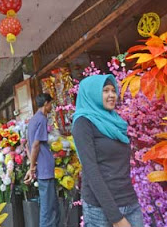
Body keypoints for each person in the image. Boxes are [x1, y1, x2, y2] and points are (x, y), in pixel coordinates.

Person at [72, 74, 143, 227]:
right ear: (92, 93)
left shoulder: (115, 121)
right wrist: (115, 217)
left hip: (128, 199)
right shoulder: (83, 123)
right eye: (105, 91)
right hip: (100, 208)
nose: (111, 95)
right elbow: (91, 171)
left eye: (113, 90)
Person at [24, 93, 60, 227]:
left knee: (52, 205)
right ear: (46, 103)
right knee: (47, 208)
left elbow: (28, 145)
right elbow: (35, 145)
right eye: (51, 103)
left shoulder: (33, 119)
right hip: (44, 167)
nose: (51, 106)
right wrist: (32, 167)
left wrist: (32, 165)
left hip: (43, 166)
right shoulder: (42, 119)